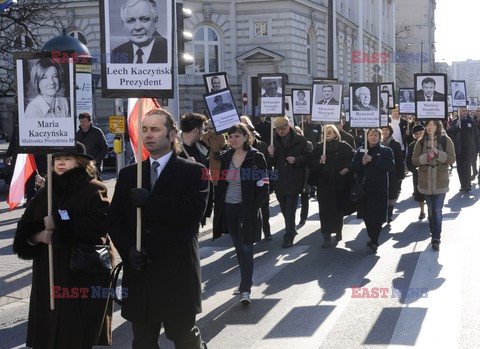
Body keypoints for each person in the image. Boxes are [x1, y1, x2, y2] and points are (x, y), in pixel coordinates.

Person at [108, 108, 209, 349]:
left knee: (183, 336)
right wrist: (128, 250)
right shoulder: (129, 174)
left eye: (155, 129)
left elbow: (193, 213)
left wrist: (151, 202)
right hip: (141, 274)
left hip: (177, 274)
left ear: (172, 134)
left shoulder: (195, 172)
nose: (148, 134)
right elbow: (114, 219)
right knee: (143, 340)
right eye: (144, 129)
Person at [13, 142, 112, 348]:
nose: (60, 163)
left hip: (81, 271)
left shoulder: (95, 189)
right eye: (57, 159)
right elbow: (24, 224)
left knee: (76, 332)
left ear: (80, 162)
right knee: (48, 333)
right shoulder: (45, 193)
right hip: (47, 271)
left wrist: (61, 223)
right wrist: (38, 236)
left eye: (66, 159)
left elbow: (100, 225)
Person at [213, 123, 269, 304]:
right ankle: (247, 280)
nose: (233, 139)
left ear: (246, 137)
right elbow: (221, 182)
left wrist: (253, 209)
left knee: (246, 248)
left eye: (237, 136)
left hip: (247, 210)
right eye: (230, 136)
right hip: (229, 208)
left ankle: (245, 289)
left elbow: (264, 186)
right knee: (238, 247)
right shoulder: (225, 157)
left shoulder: (255, 157)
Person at [267, 116, 310, 248]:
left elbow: (308, 157)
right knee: (284, 209)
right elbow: (270, 163)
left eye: (283, 128)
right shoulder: (273, 141)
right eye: (278, 129)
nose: (281, 131)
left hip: (295, 179)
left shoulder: (300, 140)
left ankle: (288, 237)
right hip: (280, 180)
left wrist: (296, 159)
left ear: (288, 126)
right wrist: (271, 154)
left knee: (290, 209)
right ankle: (291, 228)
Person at [412, 121, 456, 251]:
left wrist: (438, 154)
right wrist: (427, 156)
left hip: (440, 181)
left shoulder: (445, 140)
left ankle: (436, 238)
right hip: (425, 181)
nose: (430, 127)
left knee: (437, 210)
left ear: (438, 126)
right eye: (428, 125)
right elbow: (414, 160)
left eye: (433, 125)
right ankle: (433, 228)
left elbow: (452, 159)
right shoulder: (420, 142)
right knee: (431, 211)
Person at [308, 124, 354, 248]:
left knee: (338, 209)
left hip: (339, 182)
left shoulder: (343, 145)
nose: (327, 133)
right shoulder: (318, 147)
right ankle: (326, 236)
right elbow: (311, 164)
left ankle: (338, 230)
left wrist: (346, 169)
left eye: (330, 131)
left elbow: (354, 158)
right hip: (323, 183)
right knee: (324, 210)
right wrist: (319, 161)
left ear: (335, 133)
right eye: (324, 132)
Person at [351, 128, 394, 252]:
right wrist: (362, 163)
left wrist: (373, 160)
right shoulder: (361, 150)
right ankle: (372, 237)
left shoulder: (386, 150)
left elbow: (390, 166)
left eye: (376, 135)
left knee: (378, 216)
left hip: (379, 189)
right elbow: (353, 167)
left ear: (380, 137)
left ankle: (374, 240)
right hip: (364, 190)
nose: (373, 137)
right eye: (371, 135)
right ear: (367, 136)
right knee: (367, 216)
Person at [239, 115, 272, 240]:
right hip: (247, 185)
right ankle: (251, 233)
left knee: (264, 208)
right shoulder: (238, 149)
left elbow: (268, 165)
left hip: (261, 182)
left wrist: (271, 154)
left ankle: (267, 231)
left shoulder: (262, 146)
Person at [447, 107, 480, 192]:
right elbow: (450, 133)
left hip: (468, 149)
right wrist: (456, 125)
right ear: (459, 112)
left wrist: (477, 148)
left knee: (467, 168)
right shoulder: (455, 122)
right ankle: (462, 185)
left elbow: (476, 135)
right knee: (460, 168)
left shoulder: (471, 122)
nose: (465, 112)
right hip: (458, 149)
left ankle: (468, 185)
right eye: (463, 111)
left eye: (466, 111)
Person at [381, 124, 405, 223]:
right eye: (383, 130)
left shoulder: (395, 144)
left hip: (392, 174)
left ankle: (389, 214)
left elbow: (400, 161)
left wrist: (401, 175)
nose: (385, 132)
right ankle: (382, 214)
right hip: (380, 175)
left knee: (391, 195)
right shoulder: (377, 143)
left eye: (387, 130)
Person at [406, 124, 426, 220]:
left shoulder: (430, 143)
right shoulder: (411, 146)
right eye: (416, 134)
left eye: (421, 133)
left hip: (429, 173)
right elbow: (408, 160)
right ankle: (422, 210)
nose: (419, 135)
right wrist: (414, 170)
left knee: (430, 193)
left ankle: (431, 210)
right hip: (417, 174)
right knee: (419, 194)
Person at [294, 126, 313, 226]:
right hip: (294, 175)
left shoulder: (308, 144)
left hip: (305, 174)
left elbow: (309, 159)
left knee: (304, 197)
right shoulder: (290, 144)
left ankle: (303, 218)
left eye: (298, 133)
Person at [201, 119, 227, 186]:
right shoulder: (204, 136)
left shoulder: (220, 136)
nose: (209, 130)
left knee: (216, 184)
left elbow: (225, 148)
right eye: (208, 128)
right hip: (206, 162)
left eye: (211, 128)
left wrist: (220, 152)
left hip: (216, 163)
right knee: (206, 182)